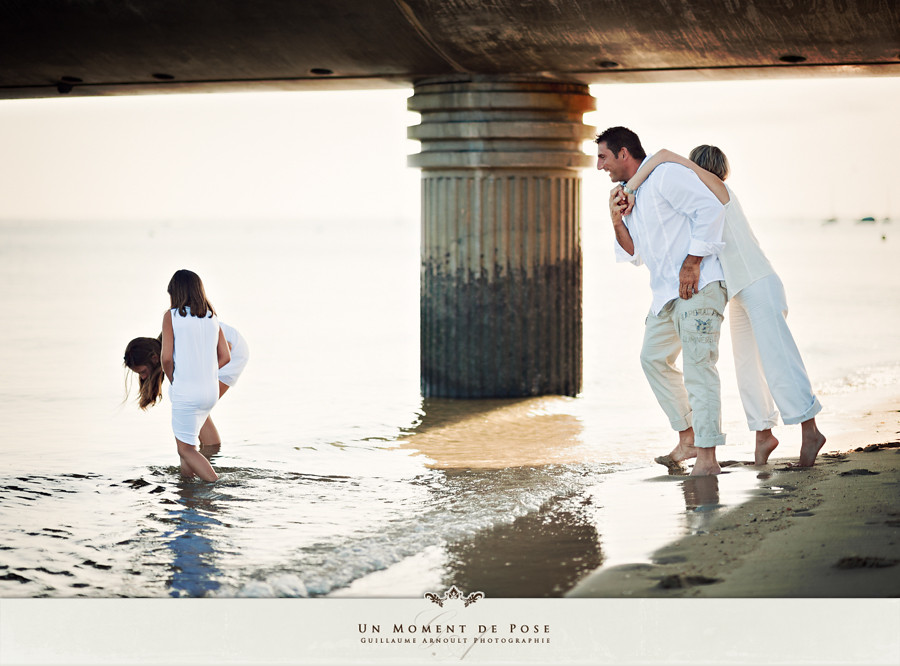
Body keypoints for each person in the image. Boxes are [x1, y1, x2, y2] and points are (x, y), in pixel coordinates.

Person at [621, 146, 826, 467]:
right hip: (740, 293)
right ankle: (763, 437)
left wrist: (632, 185)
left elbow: (662, 155)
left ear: (700, 169)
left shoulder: (718, 190)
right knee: (747, 368)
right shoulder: (699, 202)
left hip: (758, 284)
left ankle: (810, 430)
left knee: (778, 361)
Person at [596, 126, 728, 476]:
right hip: (665, 295)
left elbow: (711, 208)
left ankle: (708, 458)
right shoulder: (632, 193)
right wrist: (615, 217)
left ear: (624, 154)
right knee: (652, 358)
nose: (599, 166)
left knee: (699, 369)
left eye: (603, 157)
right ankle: (689, 436)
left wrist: (693, 261)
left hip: (699, 286)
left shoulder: (667, 175)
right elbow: (634, 252)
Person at [126, 270, 230, 481]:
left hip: (187, 392)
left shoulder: (171, 316)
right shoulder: (212, 317)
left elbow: (165, 359)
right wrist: (206, 374)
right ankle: (187, 491)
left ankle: (217, 487)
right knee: (188, 445)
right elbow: (226, 356)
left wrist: (176, 378)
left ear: (176, 293)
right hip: (209, 393)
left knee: (185, 450)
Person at [123, 321, 249, 454]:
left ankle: (210, 455)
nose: (143, 378)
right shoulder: (168, 345)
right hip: (220, 351)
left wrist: (202, 377)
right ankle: (205, 456)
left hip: (233, 352)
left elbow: (227, 348)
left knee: (197, 408)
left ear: (154, 358)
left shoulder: (179, 344)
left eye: (142, 372)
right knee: (195, 409)